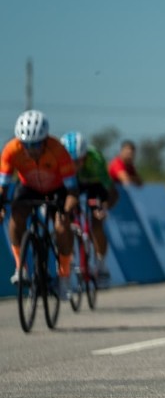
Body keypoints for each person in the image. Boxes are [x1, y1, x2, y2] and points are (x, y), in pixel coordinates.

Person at [0, 110, 79, 299]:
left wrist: (67, 210)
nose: (31, 149)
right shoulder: (11, 150)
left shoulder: (58, 150)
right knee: (16, 216)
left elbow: (72, 191)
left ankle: (64, 276)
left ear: (44, 140)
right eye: (26, 145)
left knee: (61, 226)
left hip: (58, 188)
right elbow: (3, 187)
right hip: (28, 187)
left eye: (35, 144)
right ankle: (21, 268)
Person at [60, 131, 119, 286]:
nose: (74, 165)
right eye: (70, 161)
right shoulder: (58, 161)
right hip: (71, 185)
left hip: (94, 185)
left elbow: (111, 192)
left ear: (84, 156)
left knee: (96, 223)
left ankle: (101, 263)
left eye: (78, 161)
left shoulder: (96, 160)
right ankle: (70, 257)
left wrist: (105, 207)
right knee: (64, 217)